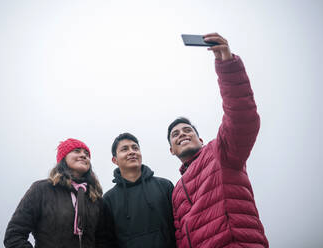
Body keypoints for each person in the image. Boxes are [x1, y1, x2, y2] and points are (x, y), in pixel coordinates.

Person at [167, 33, 269, 248]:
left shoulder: (219, 151)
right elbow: (179, 235)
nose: (182, 134)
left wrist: (227, 65)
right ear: (171, 150)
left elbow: (242, 117)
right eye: (175, 135)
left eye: (187, 130)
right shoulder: (176, 191)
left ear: (200, 139)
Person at [4, 138, 105, 248]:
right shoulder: (41, 190)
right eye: (76, 151)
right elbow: (14, 235)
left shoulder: (95, 198)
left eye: (86, 153)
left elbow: (104, 240)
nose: (84, 155)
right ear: (63, 158)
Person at [102, 133, 176, 248]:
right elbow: (107, 241)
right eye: (124, 149)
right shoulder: (108, 199)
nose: (132, 152)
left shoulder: (165, 186)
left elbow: (178, 226)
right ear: (114, 160)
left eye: (135, 148)